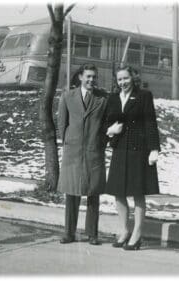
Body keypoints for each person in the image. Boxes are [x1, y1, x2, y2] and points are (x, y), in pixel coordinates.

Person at [105, 65, 161, 250]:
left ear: (133, 78)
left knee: (138, 192)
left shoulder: (144, 95)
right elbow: (107, 121)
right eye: (119, 80)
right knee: (118, 192)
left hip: (139, 150)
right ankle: (124, 231)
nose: (123, 83)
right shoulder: (113, 97)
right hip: (120, 149)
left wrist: (154, 149)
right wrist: (110, 131)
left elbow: (150, 122)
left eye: (126, 78)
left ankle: (137, 234)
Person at [57, 63, 107, 245]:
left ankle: (92, 234)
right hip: (73, 151)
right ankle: (69, 233)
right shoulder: (67, 96)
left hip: (94, 151)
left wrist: (101, 142)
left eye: (94, 77)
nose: (91, 80)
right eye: (88, 76)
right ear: (80, 77)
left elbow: (106, 124)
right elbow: (62, 123)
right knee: (72, 193)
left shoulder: (103, 99)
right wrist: (68, 142)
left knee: (93, 193)